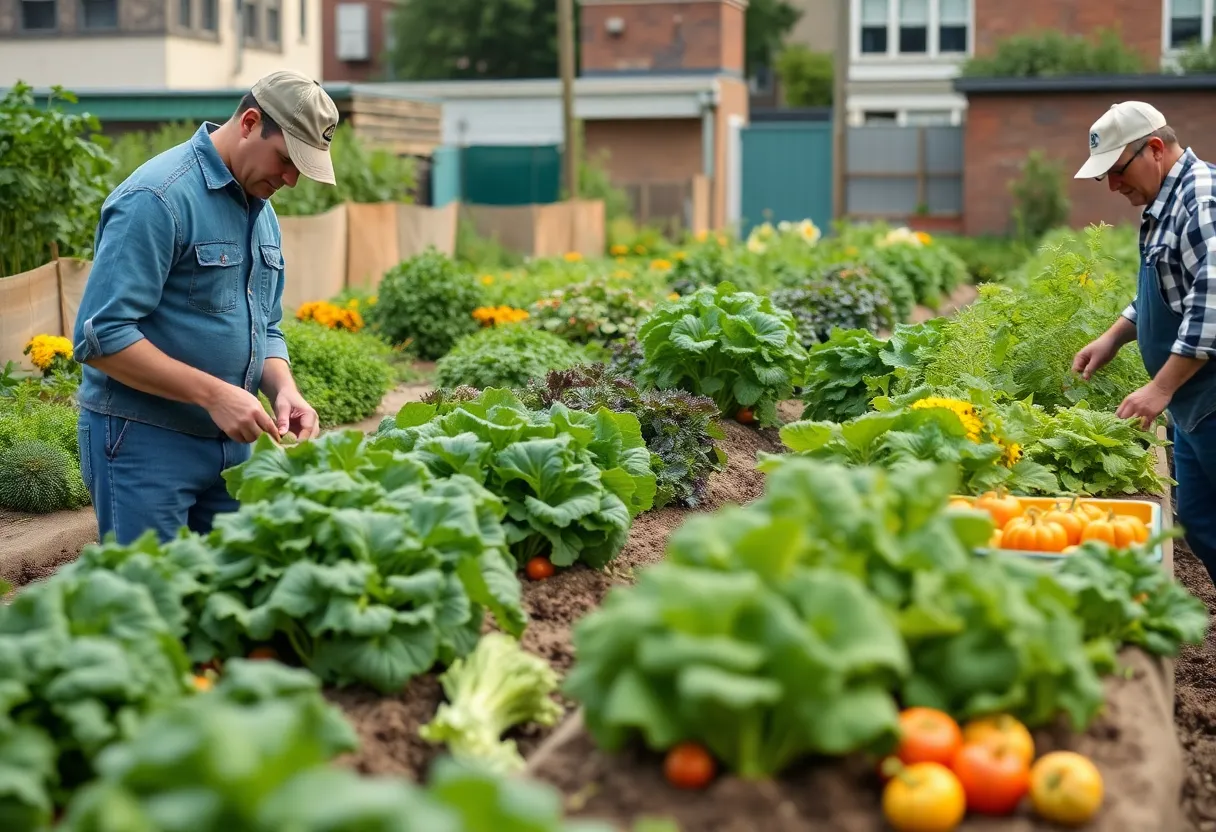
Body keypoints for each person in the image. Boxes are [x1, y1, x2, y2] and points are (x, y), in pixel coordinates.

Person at [71, 70, 337, 545]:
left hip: (233, 448)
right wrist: (214, 395)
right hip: (145, 443)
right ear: (251, 122)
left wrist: (283, 389)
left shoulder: (261, 206)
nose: (292, 179)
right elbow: (101, 338)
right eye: (286, 159)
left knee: (226, 598)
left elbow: (267, 326)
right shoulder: (156, 198)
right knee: (150, 600)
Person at [1071, 101, 1216, 583]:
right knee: (1199, 521)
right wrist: (1114, 337)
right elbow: (1166, 289)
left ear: (1154, 149)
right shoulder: (1164, 203)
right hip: (1194, 405)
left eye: (1116, 171)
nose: (1113, 186)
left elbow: (1211, 304)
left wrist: (1160, 388)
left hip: (1210, 398)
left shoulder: (1202, 199)